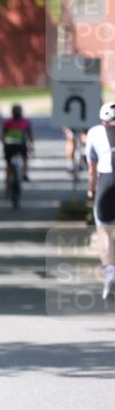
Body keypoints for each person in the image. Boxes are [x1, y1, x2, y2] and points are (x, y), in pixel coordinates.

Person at [85, 101, 115, 300]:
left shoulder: (95, 132)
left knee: (103, 230)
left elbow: (91, 168)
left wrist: (91, 189)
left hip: (107, 180)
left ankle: (111, 271)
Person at [1, 104, 34, 183]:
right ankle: (25, 173)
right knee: (25, 157)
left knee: (9, 164)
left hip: (9, 145)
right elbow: (30, 135)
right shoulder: (25, 122)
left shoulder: (8, 122)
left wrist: (3, 145)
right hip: (21, 145)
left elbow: (3, 135)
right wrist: (32, 146)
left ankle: (8, 180)